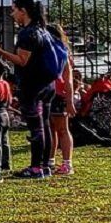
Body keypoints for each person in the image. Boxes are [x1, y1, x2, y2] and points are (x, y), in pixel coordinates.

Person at [0, 0, 63, 179]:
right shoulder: (44, 31)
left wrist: (0, 52)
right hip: (48, 85)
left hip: (33, 87)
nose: (12, 14)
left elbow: (23, 61)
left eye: (14, 9)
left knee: (36, 128)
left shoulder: (27, 34)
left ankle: (36, 167)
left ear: (23, 11)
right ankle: (46, 165)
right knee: (45, 125)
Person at [47, 25, 76, 174]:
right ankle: (50, 160)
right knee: (51, 129)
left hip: (58, 95)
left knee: (62, 129)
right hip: (50, 93)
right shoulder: (52, 52)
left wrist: (70, 101)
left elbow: (68, 80)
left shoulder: (62, 54)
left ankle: (67, 163)